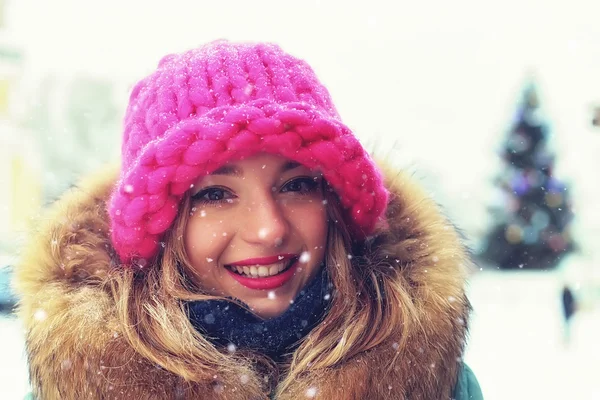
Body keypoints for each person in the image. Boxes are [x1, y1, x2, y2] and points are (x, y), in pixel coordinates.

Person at [14, 40, 483, 399]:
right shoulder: (76, 385)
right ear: (161, 227)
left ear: (334, 203)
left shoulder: (435, 377)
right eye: (216, 194)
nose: (268, 229)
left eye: (296, 184)